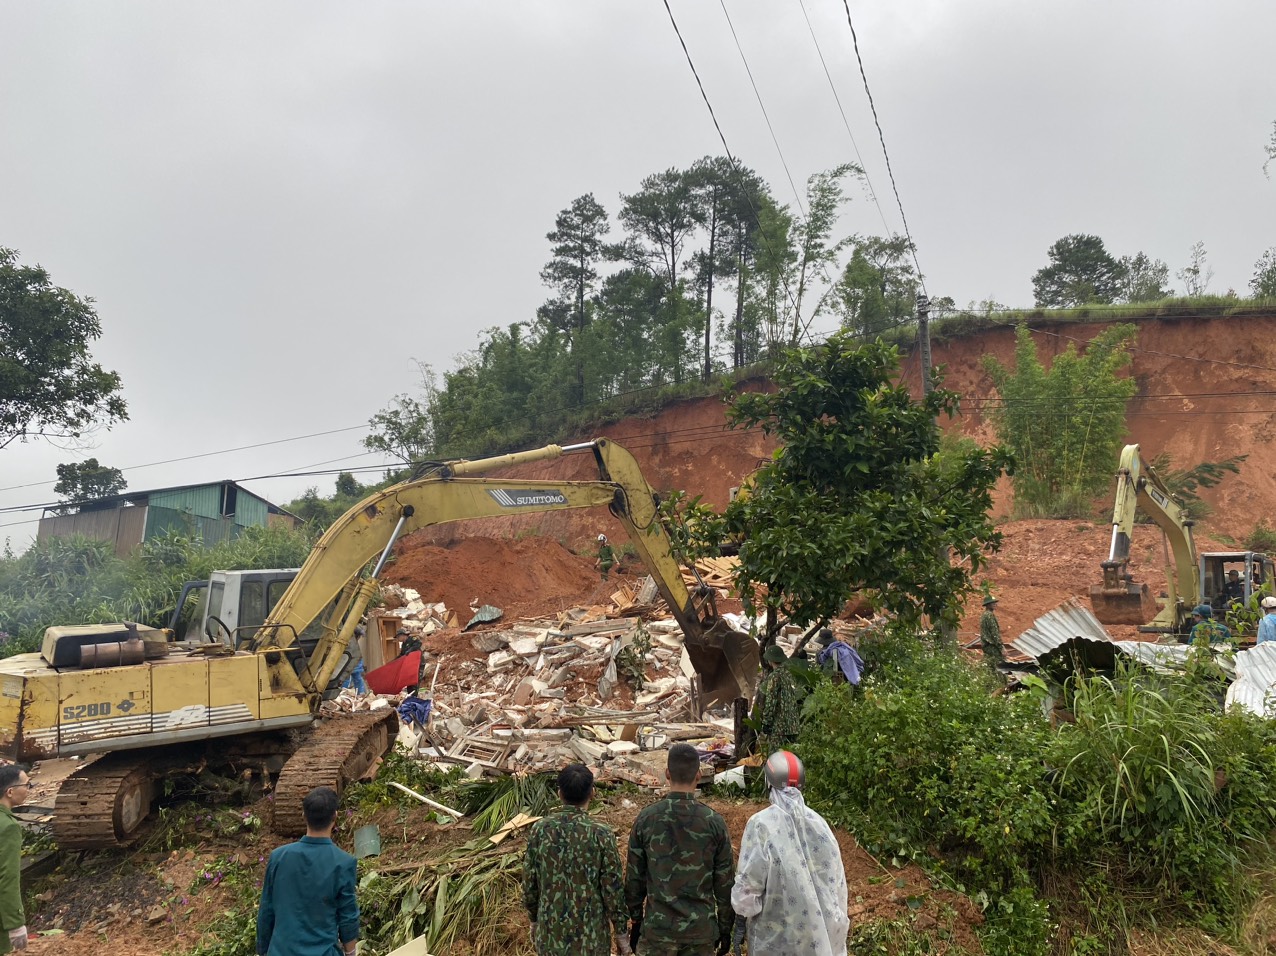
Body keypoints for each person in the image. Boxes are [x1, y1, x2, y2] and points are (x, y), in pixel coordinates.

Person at [730, 752, 848, 956]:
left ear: (768, 782)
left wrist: (740, 921)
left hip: (775, 940)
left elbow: (748, 890)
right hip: (818, 939)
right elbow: (836, 885)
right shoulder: (820, 825)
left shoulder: (761, 825)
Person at [625, 744, 734, 956]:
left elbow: (634, 880)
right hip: (700, 932)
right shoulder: (713, 823)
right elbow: (725, 884)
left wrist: (636, 919)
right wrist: (725, 927)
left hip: (658, 932)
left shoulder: (647, 819)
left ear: (667, 774)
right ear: (699, 775)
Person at [523, 764, 630, 956]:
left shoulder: (540, 830)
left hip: (550, 937)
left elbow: (530, 883)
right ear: (593, 793)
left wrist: (534, 920)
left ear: (559, 793)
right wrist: (621, 932)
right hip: (591, 940)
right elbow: (612, 889)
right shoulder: (601, 833)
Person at [257, 786, 359, 956]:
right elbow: (348, 916)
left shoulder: (279, 857)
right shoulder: (343, 863)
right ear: (335, 816)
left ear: (304, 816)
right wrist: (351, 953)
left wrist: (263, 951)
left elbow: (266, 911)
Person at [0, 765, 29, 954]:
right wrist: (16, 924)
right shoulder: (8, 827)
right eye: (27, 785)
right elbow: (7, 879)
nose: (29, 789)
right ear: (10, 792)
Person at [754, 644, 802, 753]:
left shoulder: (775, 677)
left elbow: (771, 701)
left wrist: (766, 722)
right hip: (793, 724)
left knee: (776, 758)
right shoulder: (788, 674)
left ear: (770, 661)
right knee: (790, 757)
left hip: (780, 725)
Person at [979, 595, 1005, 675]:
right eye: (992, 603)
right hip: (992, 646)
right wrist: (1001, 648)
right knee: (1000, 668)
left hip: (987, 646)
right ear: (987, 605)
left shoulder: (984, 615)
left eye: (995, 602)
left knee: (990, 667)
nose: (995, 604)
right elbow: (994, 634)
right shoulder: (989, 616)